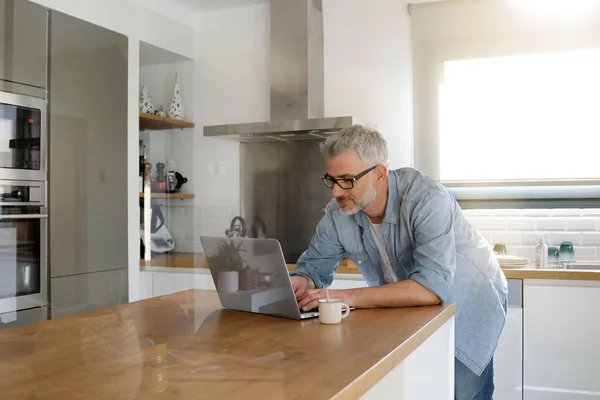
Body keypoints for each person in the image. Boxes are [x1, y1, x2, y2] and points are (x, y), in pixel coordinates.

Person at [290, 125, 507, 400]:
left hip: (469, 301)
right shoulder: (339, 212)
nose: (336, 192)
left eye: (346, 179)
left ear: (379, 173)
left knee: (463, 392)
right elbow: (313, 267)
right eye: (331, 180)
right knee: (422, 389)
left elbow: (430, 288)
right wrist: (299, 281)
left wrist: (343, 296)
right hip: (413, 309)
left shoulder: (426, 199)